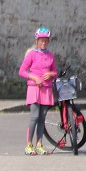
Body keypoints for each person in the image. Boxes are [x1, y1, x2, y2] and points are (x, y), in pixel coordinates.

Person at [18, 27, 58, 155]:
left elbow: (55, 72)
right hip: (34, 89)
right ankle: (29, 144)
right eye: (41, 41)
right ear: (37, 41)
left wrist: (51, 74)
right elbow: (22, 71)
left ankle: (39, 144)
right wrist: (34, 77)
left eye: (46, 41)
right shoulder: (32, 55)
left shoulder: (50, 56)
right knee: (34, 116)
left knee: (42, 118)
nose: (43, 43)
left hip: (46, 90)